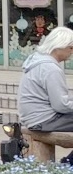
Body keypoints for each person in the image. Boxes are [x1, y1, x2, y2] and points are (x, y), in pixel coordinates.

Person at [18, 26, 73, 158]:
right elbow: (61, 105)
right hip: (43, 119)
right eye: (71, 48)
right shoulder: (51, 68)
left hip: (33, 117)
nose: (72, 52)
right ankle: (69, 163)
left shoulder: (37, 60)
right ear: (58, 46)